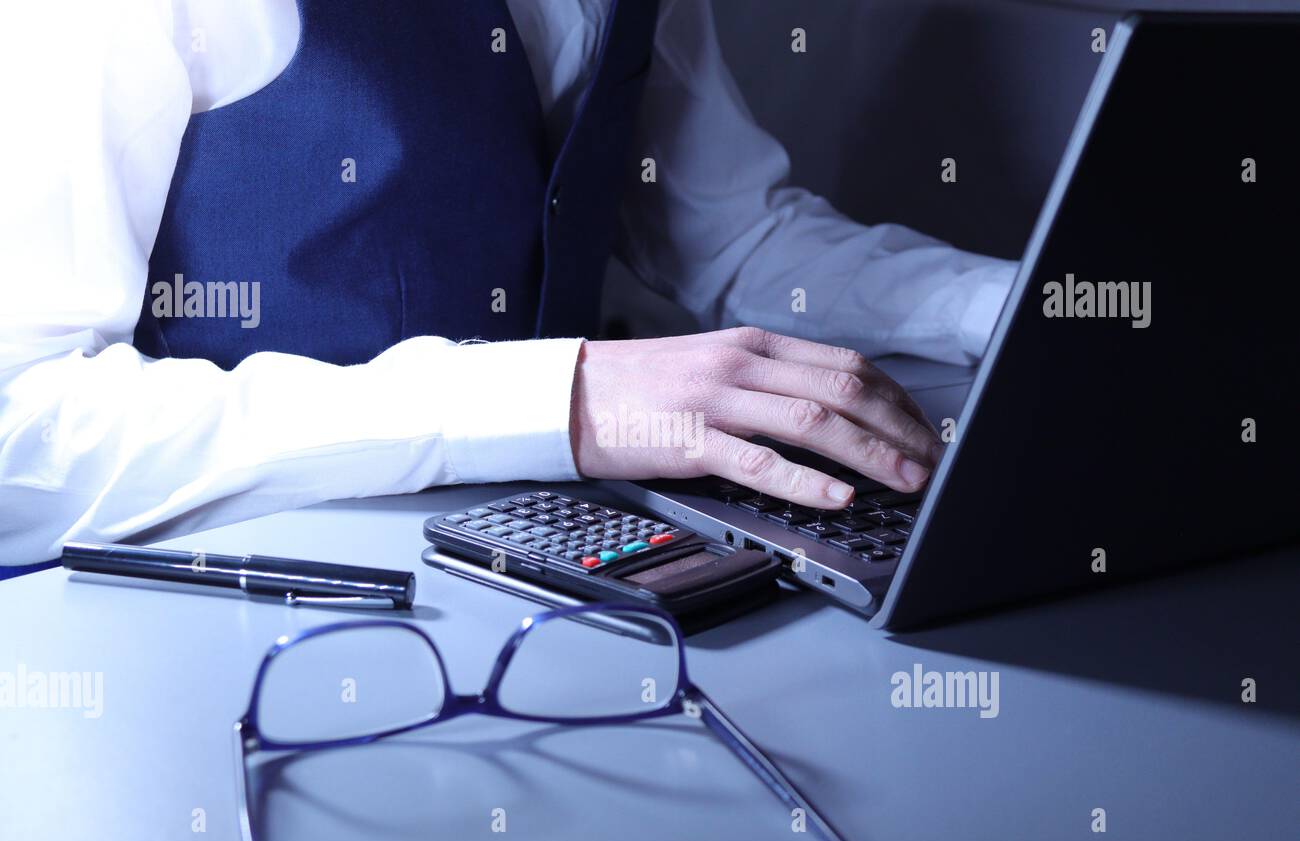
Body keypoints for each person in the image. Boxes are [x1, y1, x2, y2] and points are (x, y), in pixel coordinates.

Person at [0, 0, 1016, 572]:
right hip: (226, 614)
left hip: (562, 594)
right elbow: (19, 437)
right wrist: (559, 398)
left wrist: (1021, 303)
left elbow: (736, 241)